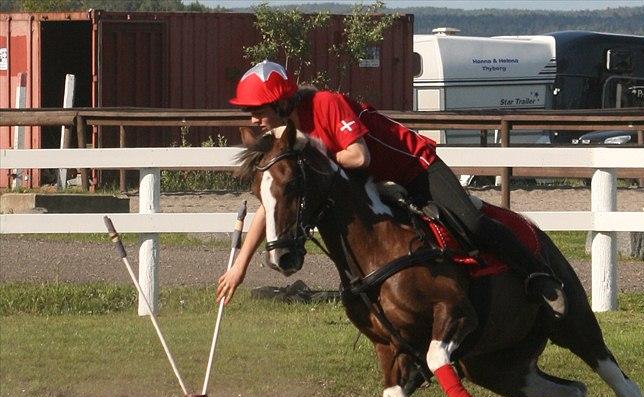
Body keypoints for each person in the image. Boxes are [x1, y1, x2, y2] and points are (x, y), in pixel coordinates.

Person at [217, 60, 566, 318]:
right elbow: (274, 201)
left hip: (416, 168)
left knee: (472, 223)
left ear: (280, 103)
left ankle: (539, 275)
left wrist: (319, 160)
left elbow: (358, 155)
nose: (251, 119)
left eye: (255, 110)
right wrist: (240, 267)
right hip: (377, 184)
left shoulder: (326, 103)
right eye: (248, 112)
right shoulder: (282, 139)